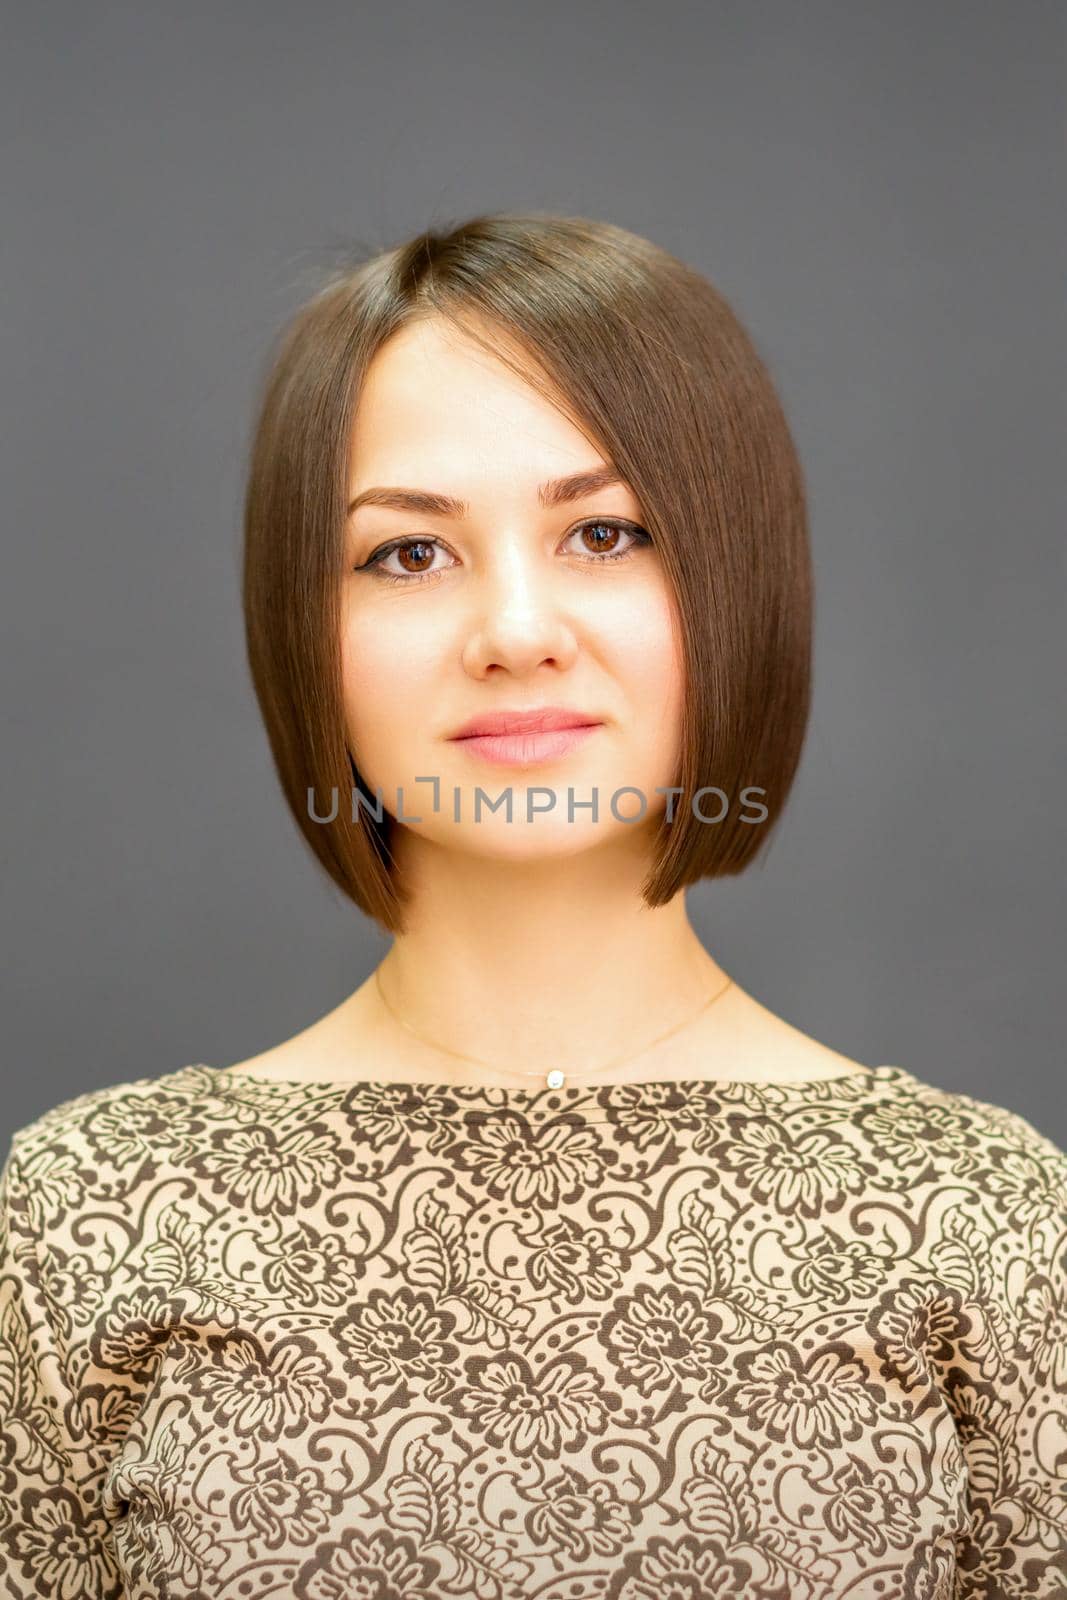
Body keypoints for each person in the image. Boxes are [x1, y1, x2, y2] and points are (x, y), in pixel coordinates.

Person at [1, 212, 1064, 1597]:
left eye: (606, 533)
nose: (513, 631)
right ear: (301, 631)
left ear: (740, 583)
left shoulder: (986, 1226)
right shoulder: (87, 1218)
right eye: (407, 555)